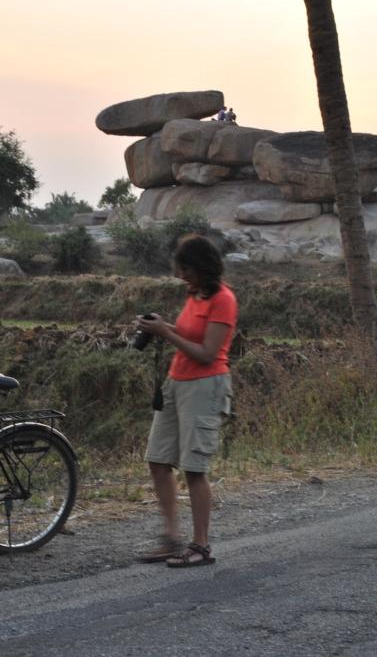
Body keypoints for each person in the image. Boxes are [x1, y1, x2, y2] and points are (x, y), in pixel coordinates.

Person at [135, 234, 237, 568]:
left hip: (205, 387)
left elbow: (207, 353)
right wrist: (159, 328)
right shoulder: (194, 295)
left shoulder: (223, 300)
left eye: (188, 270)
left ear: (204, 267)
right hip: (176, 383)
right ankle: (171, 538)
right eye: (181, 270)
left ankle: (201, 545)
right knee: (158, 460)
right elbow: (187, 334)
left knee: (194, 468)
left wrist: (166, 333)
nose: (182, 277)